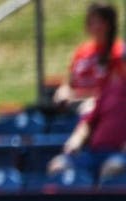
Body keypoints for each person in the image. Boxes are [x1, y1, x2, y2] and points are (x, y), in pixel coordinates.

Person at [47, 51, 126, 183]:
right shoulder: (111, 91)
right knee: (58, 165)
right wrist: (76, 139)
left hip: (120, 155)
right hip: (95, 153)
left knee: (112, 168)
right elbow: (88, 122)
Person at [53, 2, 123, 114]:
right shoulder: (82, 50)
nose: (90, 25)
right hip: (74, 104)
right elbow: (69, 82)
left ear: (108, 24)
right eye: (89, 21)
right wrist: (63, 91)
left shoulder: (118, 51)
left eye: (95, 21)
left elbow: (116, 91)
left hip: (100, 108)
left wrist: (79, 95)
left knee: (88, 108)